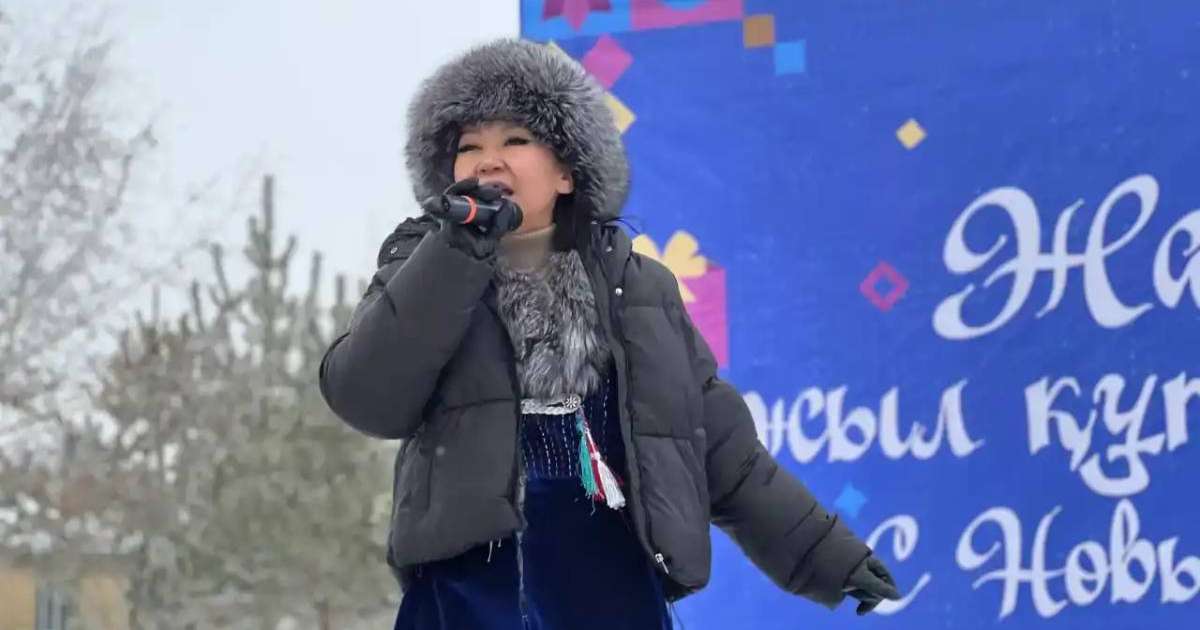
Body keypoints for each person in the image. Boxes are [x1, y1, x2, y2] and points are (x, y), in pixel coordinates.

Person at [318, 38, 901, 630]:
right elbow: (366, 397)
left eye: (515, 140)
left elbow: (725, 452)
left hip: (609, 583)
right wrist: (454, 254)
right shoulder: (421, 264)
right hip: (470, 592)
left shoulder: (639, 290)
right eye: (470, 147)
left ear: (568, 172)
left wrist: (826, 558)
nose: (488, 161)